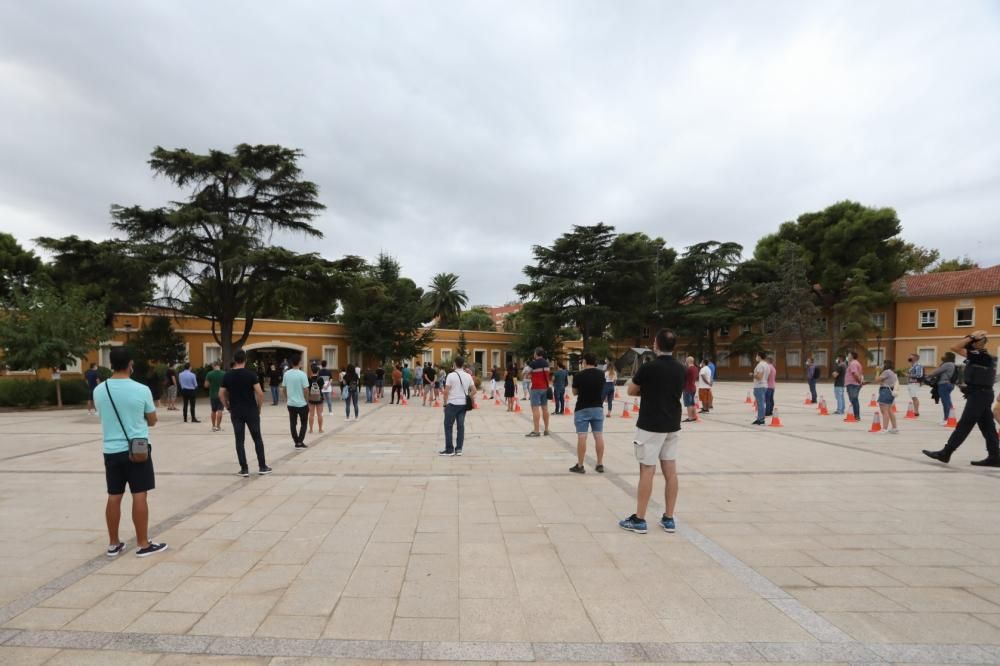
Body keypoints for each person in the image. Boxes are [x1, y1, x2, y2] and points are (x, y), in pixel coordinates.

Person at [92, 346, 167, 558]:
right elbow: (152, 420)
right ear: (130, 365)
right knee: (139, 495)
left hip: (111, 450)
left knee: (114, 496)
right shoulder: (141, 389)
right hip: (137, 449)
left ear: (111, 364)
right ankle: (143, 544)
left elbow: (103, 415)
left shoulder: (100, 390)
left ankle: (113, 543)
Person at [619, 329, 685, 535]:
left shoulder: (649, 367)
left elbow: (631, 390)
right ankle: (669, 517)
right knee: (670, 471)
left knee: (647, 469)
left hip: (650, 424)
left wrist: (644, 389)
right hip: (672, 423)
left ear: (656, 344)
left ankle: (639, 519)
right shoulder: (681, 368)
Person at [924, 331, 999, 466]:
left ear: (977, 343)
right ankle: (995, 456)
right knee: (988, 427)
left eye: (970, 342)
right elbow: (981, 377)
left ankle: (946, 452)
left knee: (965, 424)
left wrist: (972, 337)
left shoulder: (980, 355)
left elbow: (954, 347)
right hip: (982, 394)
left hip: (979, 396)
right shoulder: (984, 357)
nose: (967, 343)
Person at [220, 349, 271, 477]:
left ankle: (244, 469)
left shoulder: (228, 375)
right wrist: (259, 407)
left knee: (239, 440)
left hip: (236, 411)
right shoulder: (251, 374)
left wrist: (227, 406)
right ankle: (262, 466)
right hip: (251, 410)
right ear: (245, 360)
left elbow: (221, 393)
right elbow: (259, 393)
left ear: (234, 360)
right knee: (257, 438)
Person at [570, 353, 605, 474]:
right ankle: (600, 463)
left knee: (582, 436)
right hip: (597, 407)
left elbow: (574, 392)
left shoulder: (579, 375)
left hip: (582, 408)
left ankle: (580, 465)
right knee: (598, 436)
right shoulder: (601, 374)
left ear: (584, 361)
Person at [440, 356, 474, 456]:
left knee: (448, 426)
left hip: (452, 404)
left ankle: (449, 449)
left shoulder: (451, 375)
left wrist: (445, 404)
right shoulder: (468, 376)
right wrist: (467, 396)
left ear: (455, 364)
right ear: (463, 364)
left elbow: (446, 391)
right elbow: (474, 390)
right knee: (461, 426)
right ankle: (459, 449)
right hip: (463, 405)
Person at [281, 354, 309, 448]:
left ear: (291, 363)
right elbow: (306, 389)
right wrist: (306, 400)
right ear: (299, 363)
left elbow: (283, 388)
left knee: (293, 423)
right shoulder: (303, 374)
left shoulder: (286, 374)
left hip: (291, 403)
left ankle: (296, 441)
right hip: (302, 404)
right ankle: (300, 441)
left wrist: (287, 398)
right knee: (304, 423)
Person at [525, 347, 552, 437]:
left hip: (536, 388)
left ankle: (536, 430)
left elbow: (525, 372)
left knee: (535, 408)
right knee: (545, 408)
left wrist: (529, 374)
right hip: (545, 388)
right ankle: (546, 429)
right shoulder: (547, 363)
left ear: (536, 354)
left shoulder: (533, 363)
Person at [926, 352, 957, 425]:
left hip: (944, 384)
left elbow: (936, 372)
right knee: (948, 401)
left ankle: (947, 419)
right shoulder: (952, 364)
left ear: (948, 357)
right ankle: (949, 417)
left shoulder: (947, 364)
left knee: (945, 402)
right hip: (949, 384)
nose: (943, 356)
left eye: (945, 355)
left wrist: (928, 376)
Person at [876, 359, 899, 434]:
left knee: (884, 411)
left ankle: (884, 429)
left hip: (885, 391)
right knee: (889, 410)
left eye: (883, 364)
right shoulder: (892, 372)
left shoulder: (887, 372)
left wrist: (877, 371)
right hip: (890, 392)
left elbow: (877, 379)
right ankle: (894, 427)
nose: (881, 365)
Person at [204, 361, 226, 432]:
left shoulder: (209, 374)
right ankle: (218, 426)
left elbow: (206, 385)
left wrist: (212, 385)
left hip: (213, 395)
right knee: (220, 410)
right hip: (222, 395)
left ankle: (213, 426)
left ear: (213, 366)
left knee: (213, 411)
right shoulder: (224, 374)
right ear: (219, 365)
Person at [845, 351, 864, 422]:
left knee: (854, 399)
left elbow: (855, 374)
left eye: (848, 355)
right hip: (853, 384)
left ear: (852, 356)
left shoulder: (853, 363)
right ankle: (855, 415)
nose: (847, 356)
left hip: (853, 384)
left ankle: (856, 416)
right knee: (853, 399)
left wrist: (859, 381)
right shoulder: (855, 363)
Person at [752, 351, 769, 425]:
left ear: (759, 356)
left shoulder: (760, 365)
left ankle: (761, 419)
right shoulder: (766, 365)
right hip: (764, 385)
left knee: (760, 403)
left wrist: (753, 374)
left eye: (757, 356)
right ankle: (759, 418)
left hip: (759, 386)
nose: (756, 357)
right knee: (760, 403)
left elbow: (759, 377)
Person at [307, 364, 325, 433]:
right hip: (319, 397)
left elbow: (307, 388)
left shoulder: (308, 379)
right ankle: (320, 429)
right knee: (319, 414)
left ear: (311, 371)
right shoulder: (320, 379)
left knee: (311, 414)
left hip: (311, 398)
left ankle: (311, 429)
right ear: (318, 371)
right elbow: (322, 388)